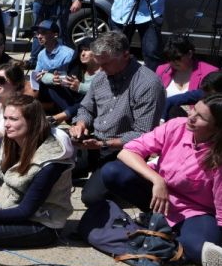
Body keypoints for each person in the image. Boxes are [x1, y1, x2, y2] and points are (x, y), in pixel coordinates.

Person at [85, 95, 222, 266]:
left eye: (201, 117)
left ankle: (165, 227)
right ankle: (158, 221)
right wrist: (157, 180)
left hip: (194, 210)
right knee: (113, 171)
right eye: (194, 109)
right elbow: (128, 152)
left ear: (218, 128)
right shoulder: (177, 125)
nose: (191, 116)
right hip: (159, 195)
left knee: (200, 250)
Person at [0, 96, 75, 248]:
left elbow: (25, 211)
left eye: (13, 119)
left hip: (42, 225)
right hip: (8, 209)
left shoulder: (51, 161)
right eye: (5, 118)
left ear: (32, 122)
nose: (6, 124)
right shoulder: (11, 140)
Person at [69, 31, 165, 183]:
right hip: (95, 142)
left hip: (125, 150)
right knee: (56, 167)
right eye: (99, 63)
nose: (101, 69)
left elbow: (142, 134)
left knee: (92, 194)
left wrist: (104, 144)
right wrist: (81, 124)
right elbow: (86, 108)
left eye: (106, 63)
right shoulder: (101, 77)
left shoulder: (147, 84)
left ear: (125, 55)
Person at [41, 39, 99, 123]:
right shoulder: (75, 66)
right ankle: (69, 116)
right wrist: (54, 79)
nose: (82, 54)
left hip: (91, 110)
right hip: (71, 106)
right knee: (52, 86)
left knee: (88, 98)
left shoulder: (104, 71)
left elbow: (101, 90)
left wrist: (80, 87)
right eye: (81, 51)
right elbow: (44, 76)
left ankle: (61, 116)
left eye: (86, 50)